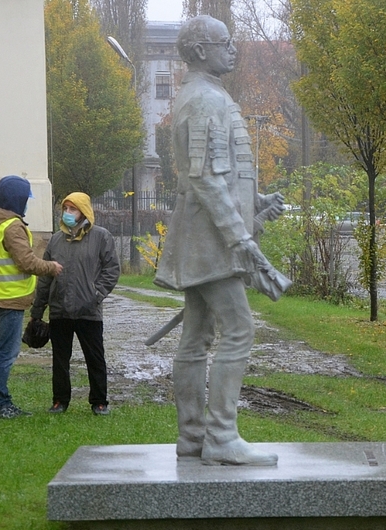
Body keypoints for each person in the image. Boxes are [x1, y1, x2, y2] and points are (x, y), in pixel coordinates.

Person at [153, 15, 285, 466]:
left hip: (205, 233)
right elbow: (206, 178)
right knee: (239, 329)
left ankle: (192, 437)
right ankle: (222, 436)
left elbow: (217, 173)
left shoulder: (205, 94)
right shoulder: (206, 98)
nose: (233, 49)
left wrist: (256, 201)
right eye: (224, 42)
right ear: (200, 50)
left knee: (196, 336)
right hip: (213, 239)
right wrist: (239, 236)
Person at [0, 175, 63, 419]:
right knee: (6, 354)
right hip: (11, 299)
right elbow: (26, 262)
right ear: (18, 199)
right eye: (25, 199)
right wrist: (51, 267)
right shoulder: (12, 226)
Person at [31, 192, 120, 415]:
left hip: (88, 311)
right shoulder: (56, 240)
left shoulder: (101, 237)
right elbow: (46, 277)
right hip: (60, 309)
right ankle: (60, 401)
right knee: (60, 359)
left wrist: (95, 295)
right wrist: (37, 310)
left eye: (73, 209)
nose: (68, 213)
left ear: (84, 211)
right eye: (65, 208)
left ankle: (99, 401)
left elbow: (111, 270)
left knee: (95, 357)